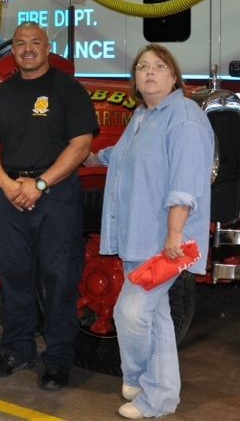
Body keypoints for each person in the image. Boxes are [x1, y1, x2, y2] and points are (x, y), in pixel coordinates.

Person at [84, 44, 214, 419]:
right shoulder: (144, 115)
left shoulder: (184, 118)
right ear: (136, 81)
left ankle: (137, 378)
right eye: (142, 67)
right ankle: (161, 398)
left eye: (159, 66)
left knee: (132, 312)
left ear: (174, 76)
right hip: (137, 235)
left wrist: (174, 234)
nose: (149, 72)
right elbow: (123, 156)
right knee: (154, 319)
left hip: (163, 240)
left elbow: (185, 182)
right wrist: (92, 156)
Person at [0, 22, 98, 390]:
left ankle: (58, 360)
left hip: (56, 195)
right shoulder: (1, 94)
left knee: (60, 277)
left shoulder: (68, 90)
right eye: (21, 44)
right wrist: (7, 184)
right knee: (13, 274)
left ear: (47, 48)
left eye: (35, 43)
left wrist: (41, 184)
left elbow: (81, 145)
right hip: (12, 194)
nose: (27, 49)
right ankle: (19, 349)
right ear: (13, 51)